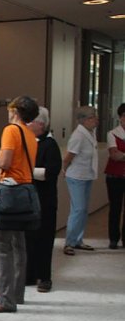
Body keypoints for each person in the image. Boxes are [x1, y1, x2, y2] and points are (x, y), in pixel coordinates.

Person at [0, 95, 39, 314]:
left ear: (14, 110)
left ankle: (5, 298)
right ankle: (16, 293)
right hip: (25, 190)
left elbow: (5, 162)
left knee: (2, 246)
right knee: (18, 244)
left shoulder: (11, 130)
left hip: (9, 191)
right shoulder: (30, 134)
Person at [24, 108, 62, 293]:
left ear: (40, 124)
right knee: (28, 238)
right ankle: (29, 274)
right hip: (28, 199)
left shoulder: (50, 144)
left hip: (45, 200)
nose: (27, 124)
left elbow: (50, 172)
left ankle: (45, 278)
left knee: (45, 239)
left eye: (30, 121)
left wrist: (24, 170)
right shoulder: (27, 141)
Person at [63, 106, 100, 255]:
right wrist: (64, 169)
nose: (96, 120)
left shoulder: (90, 133)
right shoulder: (78, 135)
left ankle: (78, 240)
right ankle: (69, 242)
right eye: (93, 118)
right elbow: (69, 156)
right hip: (76, 176)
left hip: (87, 175)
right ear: (84, 120)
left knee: (83, 210)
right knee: (78, 209)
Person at [106, 103, 125, 249]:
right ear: (120, 117)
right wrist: (120, 155)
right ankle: (113, 238)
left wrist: (122, 154)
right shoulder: (112, 133)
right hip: (115, 176)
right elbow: (114, 155)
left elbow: (120, 155)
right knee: (115, 208)